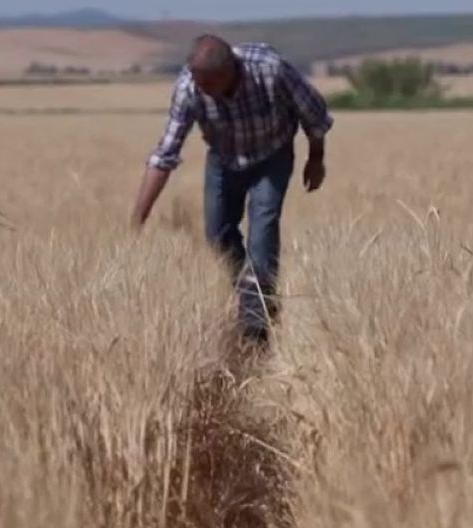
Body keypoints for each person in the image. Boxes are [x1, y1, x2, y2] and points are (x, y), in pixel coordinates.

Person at [130, 34, 334, 345]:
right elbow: (165, 153)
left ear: (229, 73)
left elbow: (314, 113)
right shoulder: (188, 89)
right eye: (198, 82)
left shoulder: (270, 69)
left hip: (272, 155)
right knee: (217, 233)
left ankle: (256, 324)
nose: (201, 90)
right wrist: (137, 219)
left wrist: (316, 158)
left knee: (262, 228)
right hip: (224, 159)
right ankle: (254, 293)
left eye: (208, 85)